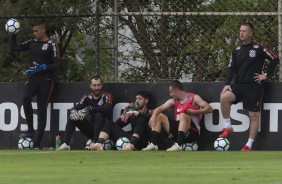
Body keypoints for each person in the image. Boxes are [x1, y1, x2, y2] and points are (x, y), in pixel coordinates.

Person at [219, 22, 279, 151]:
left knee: (253, 116)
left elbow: (275, 59)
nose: (241, 33)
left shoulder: (259, 48)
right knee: (224, 97)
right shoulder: (236, 50)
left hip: (254, 86)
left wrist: (266, 74)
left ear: (250, 33)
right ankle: (227, 126)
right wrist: (227, 84)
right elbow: (231, 68)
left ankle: (248, 145)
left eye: (245, 31)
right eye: (240, 30)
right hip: (239, 85)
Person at [10, 21, 61, 149]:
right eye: (33, 31)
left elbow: (57, 65)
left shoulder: (52, 45)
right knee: (25, 97)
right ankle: (31, 129)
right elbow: (14, 48)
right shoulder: (31, 43)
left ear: (43, 30)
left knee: (41, 110)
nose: (34, 33)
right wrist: (13, 34)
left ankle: (37, 143)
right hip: (33, 79)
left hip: (47, 81)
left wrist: (43, 67)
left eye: (36, 31)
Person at [143, 80, 213, 151]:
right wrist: (153, 117)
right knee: (159, 115)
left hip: (192, 132)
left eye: (171, 92)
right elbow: (159, 108)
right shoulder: (174, 101)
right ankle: (153, 144)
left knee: (183, 115)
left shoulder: (193, 98)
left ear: (176, 90)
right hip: (178, 132)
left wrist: (194, 112)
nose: (170, 95)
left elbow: (210, 109)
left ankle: (178, 145)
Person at [58, 75, 113, 150]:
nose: (97, 88)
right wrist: (73, 111)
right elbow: (75, 108)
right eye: (94, 85)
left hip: (104, 131)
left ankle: (95, 142)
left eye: (99, 85)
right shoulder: (87, 97)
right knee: (73, 117)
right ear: (90, 86)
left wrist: (90, 108)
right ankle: (66, 144)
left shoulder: (107, 96)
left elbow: (107, 109)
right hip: (92, 130)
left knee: (99, 114)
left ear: (101, 85)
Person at [90, 90, 155, 151]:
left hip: (143, 142)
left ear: (146, 100)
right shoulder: (132, 113)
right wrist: (124, 115)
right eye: (136, 99)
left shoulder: (150, 112)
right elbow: (117, 125)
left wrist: (137, 114)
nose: (137, 101)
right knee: (109, 123)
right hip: (131, 139)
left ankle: (131, 145)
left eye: (140, 99)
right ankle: (99, 143)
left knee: (141, 119)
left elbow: (150, 117)